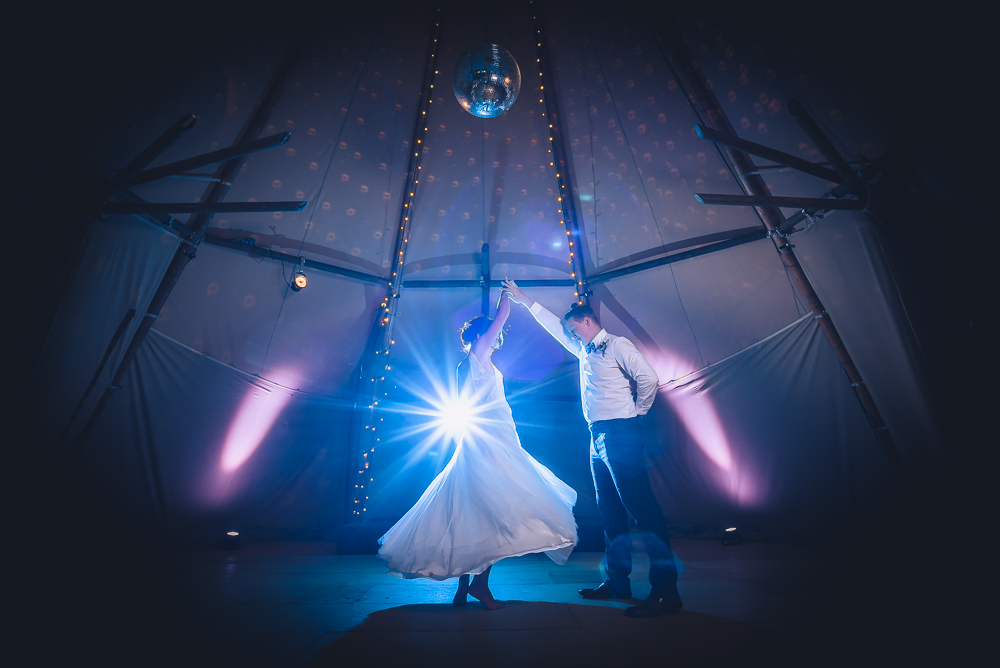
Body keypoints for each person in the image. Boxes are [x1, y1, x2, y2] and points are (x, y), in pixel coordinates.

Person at [377, 291, 578, 610]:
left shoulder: (466, 364)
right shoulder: (477, 356)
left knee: (473, 512)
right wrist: (508, 295)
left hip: (484, 439)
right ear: (483, 337)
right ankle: (479, 586)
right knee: (492, 512)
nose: (499, 339)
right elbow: (500, 320)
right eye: (494, 336)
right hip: (489, 442)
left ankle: (466, 587)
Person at [502, 279, 682, 618]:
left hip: (620, 432)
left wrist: (636, 413)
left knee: (643, 509)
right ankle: (618, 582)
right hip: (596, 437)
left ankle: (666, 590)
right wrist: (525, 301)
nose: (571, 336)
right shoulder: (583, 348)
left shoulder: (617, 345)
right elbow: (555, 327)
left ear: (587, 322)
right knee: (610, 511)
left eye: (574, 330)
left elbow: (649, 379)